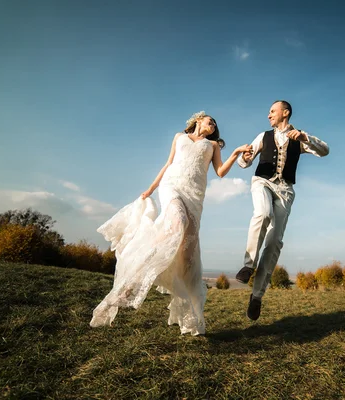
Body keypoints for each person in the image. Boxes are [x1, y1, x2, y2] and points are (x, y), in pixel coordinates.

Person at [90, 111, 251, 335]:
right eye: (209, 120)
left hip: (195, 196)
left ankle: (191, 317)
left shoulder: (212, 146)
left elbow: (221, 172)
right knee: (177, 221)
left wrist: (234, 153)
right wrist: (151, 189)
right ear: (198, 120)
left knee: (188, 257)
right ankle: (136, 274)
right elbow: (168, 164)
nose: (213, 124)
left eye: (215, 124)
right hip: (172, 187)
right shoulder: (179, 137)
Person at [235, 100, 329, 320]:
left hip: (285, 190)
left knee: (274, 241)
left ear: (285, 113)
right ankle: (248, 265)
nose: (268, 115)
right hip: (262, 182)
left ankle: (257, 296)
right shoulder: (263, 136)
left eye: (272, 111)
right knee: (263, 213)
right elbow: (244, 162)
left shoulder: (300, 137)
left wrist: (306, 138)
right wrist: (245, 158)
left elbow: (325, 151)